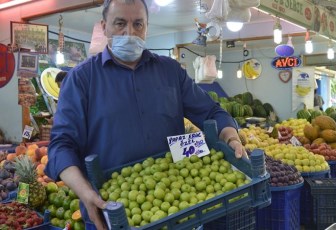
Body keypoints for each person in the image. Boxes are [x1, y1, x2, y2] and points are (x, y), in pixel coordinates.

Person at [44, 0, 247, 229]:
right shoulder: (81, 79)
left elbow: (211, 111)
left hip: (178, 203)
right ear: (104, 26)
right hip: (112, 210)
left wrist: (231, 137)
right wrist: (85, 193)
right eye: (120, 23)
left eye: (138, 24)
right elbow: (61, 145)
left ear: (147, 27)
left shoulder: (170, 71)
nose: (129, 32)